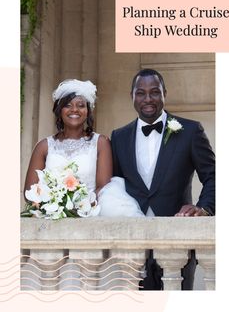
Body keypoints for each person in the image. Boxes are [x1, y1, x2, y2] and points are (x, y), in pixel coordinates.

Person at [111, 68, 215, 290]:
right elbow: (114, 186)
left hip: (178, 238)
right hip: (133, 241)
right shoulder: (118, 137)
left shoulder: (190, 131)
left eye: (155, 92)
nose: (148, 99)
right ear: (132, 96)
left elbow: (213, 176)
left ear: (165, 93)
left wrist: (203, 208)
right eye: (141, 93)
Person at [24, 78, 144, 217]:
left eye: (80, 105)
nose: (74, 109)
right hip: (51, 217)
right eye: (67, 105)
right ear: (59, 110)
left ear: (87, 111)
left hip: (89, 215)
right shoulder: (43, 146)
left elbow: (104, 188)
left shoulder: (101, 143)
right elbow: (30, 192)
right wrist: (56, 204)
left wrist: (77, 207)